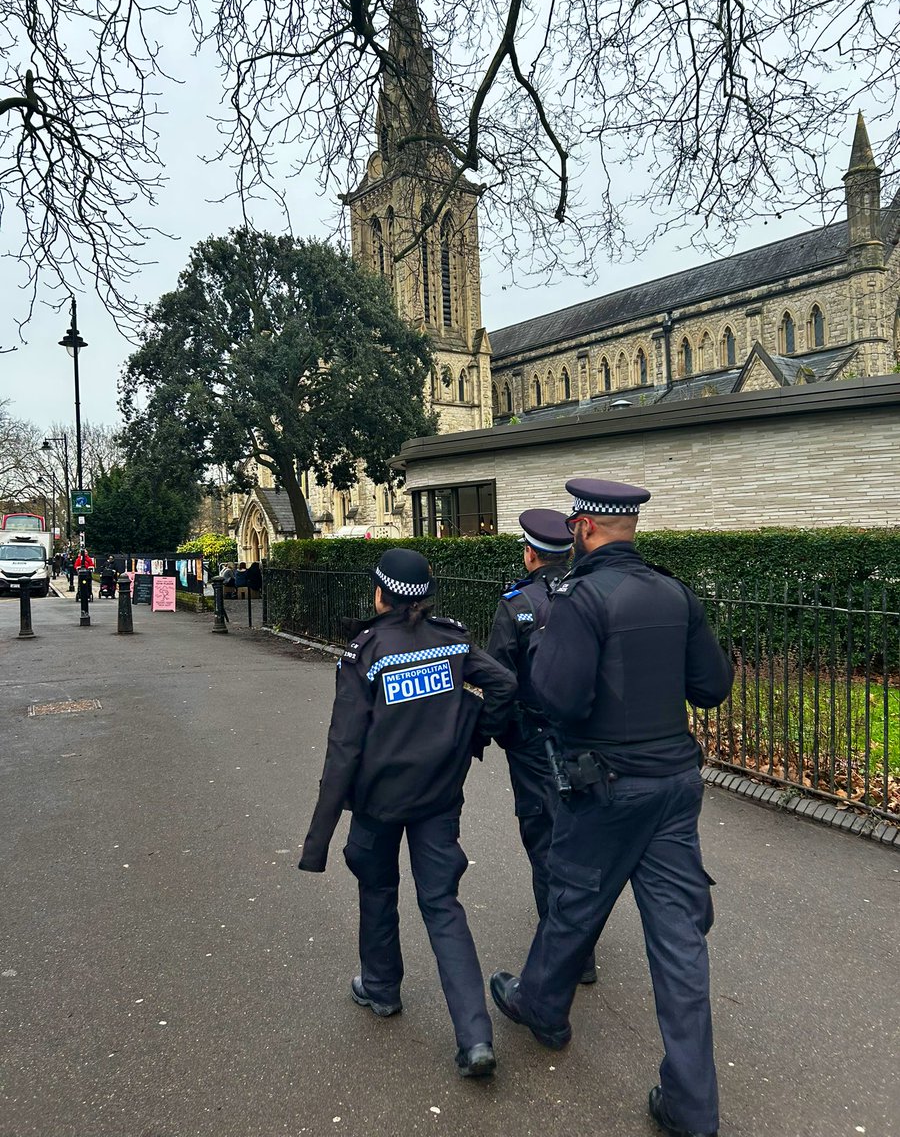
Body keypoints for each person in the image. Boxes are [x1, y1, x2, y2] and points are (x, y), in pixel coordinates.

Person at [490, 478, 734, 1137]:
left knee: (573, 900)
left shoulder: (578, 599)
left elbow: (559, 700)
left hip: (605, 787)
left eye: (574, 523)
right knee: (680, 941)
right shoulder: (674, 592)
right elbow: (711, 686)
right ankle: (691, 1104)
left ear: (586, 528)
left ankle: (541, 1006)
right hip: (675, 787)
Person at [299, 549, 517, 1078]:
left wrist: (319, 837)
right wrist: (470, 734)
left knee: (377, 890)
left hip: (378, 803)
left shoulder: (365, 654)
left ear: (380, 594)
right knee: (442, 905)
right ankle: (475, 1038)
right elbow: (505, 685)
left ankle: (381, 988)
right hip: (439, 798)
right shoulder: (452, 640)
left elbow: (344, 747)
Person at [485, 508, 596, 985]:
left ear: (529, 553)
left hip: (531, 740)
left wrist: (492, 732)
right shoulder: (588, 595)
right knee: (581, 835)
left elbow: (498, 681)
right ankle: (583, 944)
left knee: (543, 836)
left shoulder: (515, 605)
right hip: (584, 737)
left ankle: (564, 949)